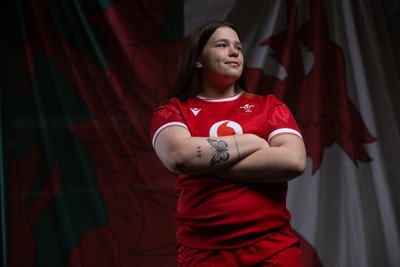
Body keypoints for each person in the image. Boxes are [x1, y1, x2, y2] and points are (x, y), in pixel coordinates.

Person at [151, 21, 306, 267]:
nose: (234, 52)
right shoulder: (173, 111)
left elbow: (294, 161)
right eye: (222, 45)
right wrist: (252, 141)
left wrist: (201, 164)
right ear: (198, 60)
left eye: (238, 47)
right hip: (203, 252)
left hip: (273, 247)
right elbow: (179, 156)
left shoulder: (269, 107)